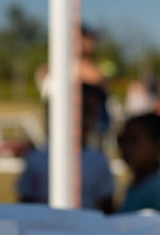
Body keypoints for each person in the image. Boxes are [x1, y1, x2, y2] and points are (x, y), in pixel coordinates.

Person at [17, 82, 115, 210]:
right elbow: (25, 204)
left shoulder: (99, 162)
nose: (81, 118)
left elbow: (107, 207)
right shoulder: (36, 159)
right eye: (74, 110)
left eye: (89, 112)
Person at [117, 112, 160, 213]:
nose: (125, 147)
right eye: (121, 140)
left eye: (133, 140)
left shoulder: (156, 189)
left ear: (158, 146)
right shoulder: (136, 185)